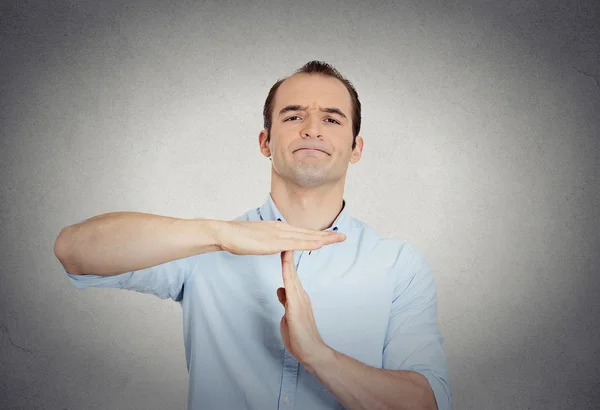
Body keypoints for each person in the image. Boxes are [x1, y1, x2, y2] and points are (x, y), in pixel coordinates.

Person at [54, 60, 451, 410]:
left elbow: (424, 405)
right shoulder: (203, 248)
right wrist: (220, 235)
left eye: (332, 119)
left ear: (356, 148)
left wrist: (318, 355)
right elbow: (74, 250)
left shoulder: (398, 264)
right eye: (293, 116)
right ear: (265, 142)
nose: (312, 128)